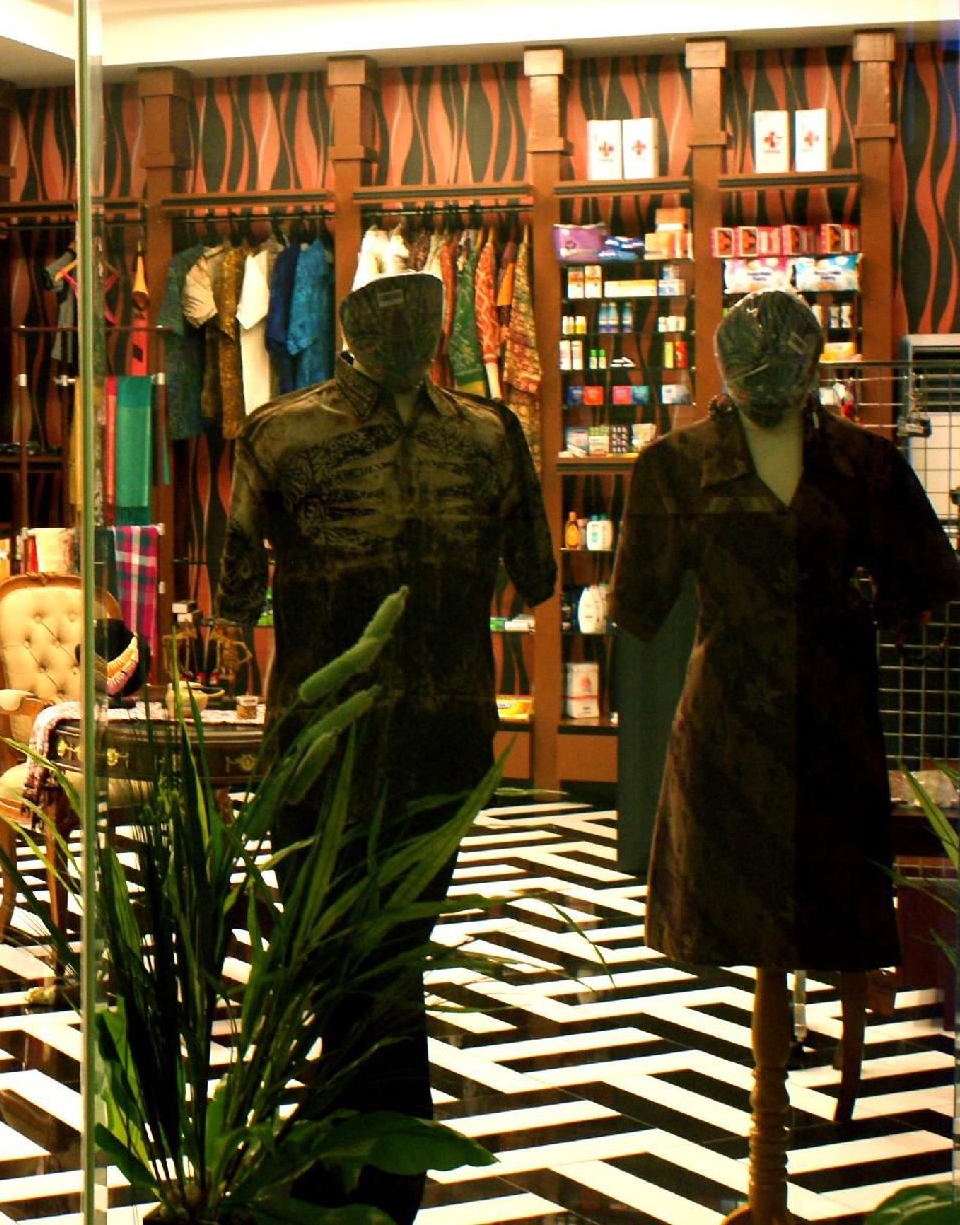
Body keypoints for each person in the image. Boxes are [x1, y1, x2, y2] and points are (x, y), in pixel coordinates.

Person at [611, 288, 959, 1225]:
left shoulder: (865, 463)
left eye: (785, 358)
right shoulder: (673, 465)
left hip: (833, 722)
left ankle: (774, 1182)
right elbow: (637, 602)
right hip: (724, 724)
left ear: (815, 364)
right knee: (738, 924)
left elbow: (923, 581)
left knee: (823, 912)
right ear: (721, 365)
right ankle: (758, 1189)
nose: (767, 374)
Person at [217, 270, 555, 1225]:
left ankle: (361, 1161)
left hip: (438, 732)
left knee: (394, 946)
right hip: (323, 739)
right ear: (354, 329)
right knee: (337, 951)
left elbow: (535, 569)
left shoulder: (488, 432)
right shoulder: (279, 433)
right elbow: (236, 588)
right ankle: (374, 1155)